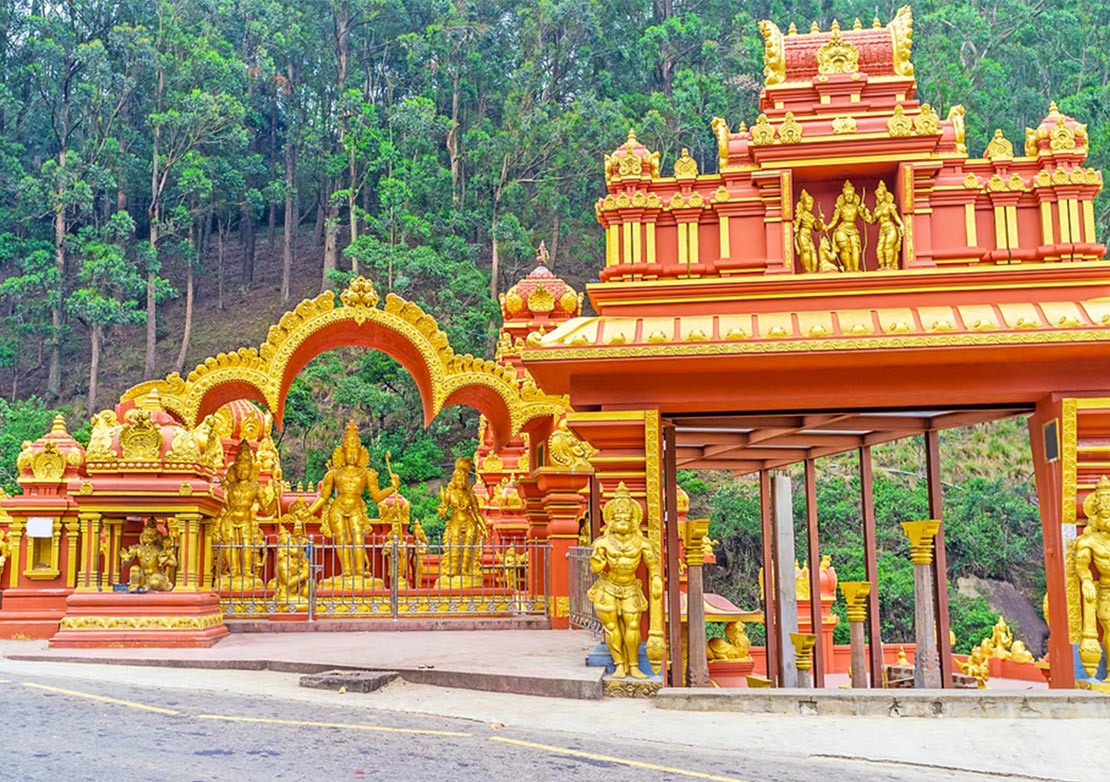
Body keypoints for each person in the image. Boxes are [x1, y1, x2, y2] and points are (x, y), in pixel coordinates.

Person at [587, 482, 662, 679]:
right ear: (610, 521)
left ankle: (634, 665)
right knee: (611, 627)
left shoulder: (642, 543)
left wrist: (655, 579)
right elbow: (594, 568)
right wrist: (599, 560)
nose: (622, 521)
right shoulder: (602, 543)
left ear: (633, 521)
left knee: (633, 626)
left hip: (630, 586)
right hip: (608, 587)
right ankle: (619, 664)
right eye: (617, 518)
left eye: (626, 518)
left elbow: (653, 564)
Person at [309, 420, 393, 585]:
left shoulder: (365, 473)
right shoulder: (334, 473)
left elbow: (376, 496)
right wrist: (309, 511)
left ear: (360, 453)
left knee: (357, 538)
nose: (352, 455)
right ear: (343, 452)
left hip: (355, 507)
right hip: (338, 508)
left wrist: (392, 488)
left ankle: (360, 571)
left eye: (356, 452)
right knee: (340, 538)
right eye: (349, 452)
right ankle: (346, 571)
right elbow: (323, 496)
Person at [215, 441, 270, 589]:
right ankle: (234, 571)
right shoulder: (229, 487)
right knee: (230, 545)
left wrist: (274, 497)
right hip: (229, 518)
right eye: (239, 468)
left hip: (245, 518)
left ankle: (246, 571)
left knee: (246, 545)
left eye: (245, 469)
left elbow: (268, 510)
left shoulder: (255, 487)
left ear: (250, 470)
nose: (242, 472)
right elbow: (219, 503)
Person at [1076, 475, 1110, 679]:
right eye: (1106, 515)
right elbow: (1082, 566)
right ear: (1095, 517)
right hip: (1106, 591)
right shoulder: (1089, 541)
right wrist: (1087, 581)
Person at [436, 458, 487, 587]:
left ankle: (465, 570)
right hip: (455, 522)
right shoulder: (450, 494)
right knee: (454, 547)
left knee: (468, 548)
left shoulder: (470, 495)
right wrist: (442, 509)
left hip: (469, 523)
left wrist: (484, 528)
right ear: (454, 480)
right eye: (458, 479)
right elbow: (443, 510)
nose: (461, 482)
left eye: (463, 479)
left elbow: (477, 513)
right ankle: (453, 570)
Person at [819, 180, 872, 272]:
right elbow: (834, 220)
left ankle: (855, 268)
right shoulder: (840, 208)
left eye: (851, 195)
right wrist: (827, 227)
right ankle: (848, 268)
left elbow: (866, 219)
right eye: (847, 195)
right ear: (843, 196)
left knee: (855, 246)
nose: (849, 197)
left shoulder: (857, 207)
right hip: (842, 228)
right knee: (844, 247)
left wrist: (866, 213)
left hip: (853, 228)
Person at [120, 518, 175, 592]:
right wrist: (126, 559)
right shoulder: (138, 548)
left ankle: (150, 587)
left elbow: (174, 563)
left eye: (151, 536)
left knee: (154, 583)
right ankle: (135, 586)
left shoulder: (160, 549)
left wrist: (166, 561)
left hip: (156, 576)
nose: (148, 537)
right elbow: (126, 563)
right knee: (134, 569)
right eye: (146, 535)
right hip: (143, 577)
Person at [793, 189, 820, 273]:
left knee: (813, 252)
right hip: (803, 234)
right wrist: (796, 228)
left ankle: (813, 270)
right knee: (806, 251)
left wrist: (820, 221)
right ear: (803, 204)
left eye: (811, 204)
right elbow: (796, 225)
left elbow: (816, 228)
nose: (810, 206)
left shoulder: (811, 216)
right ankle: (807, 270)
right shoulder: (801, 215)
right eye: (808, 204)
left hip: (809, 235)